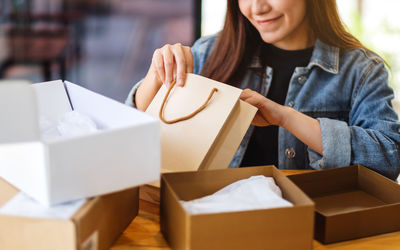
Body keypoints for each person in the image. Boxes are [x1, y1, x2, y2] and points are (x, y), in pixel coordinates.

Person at [126, 0, 400, 180]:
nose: (257, 7)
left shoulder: (361, 69)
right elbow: (130, 137)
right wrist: (155, 78)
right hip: (216, 221)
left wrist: (285, 117)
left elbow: (389, 157)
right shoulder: (212, 52)